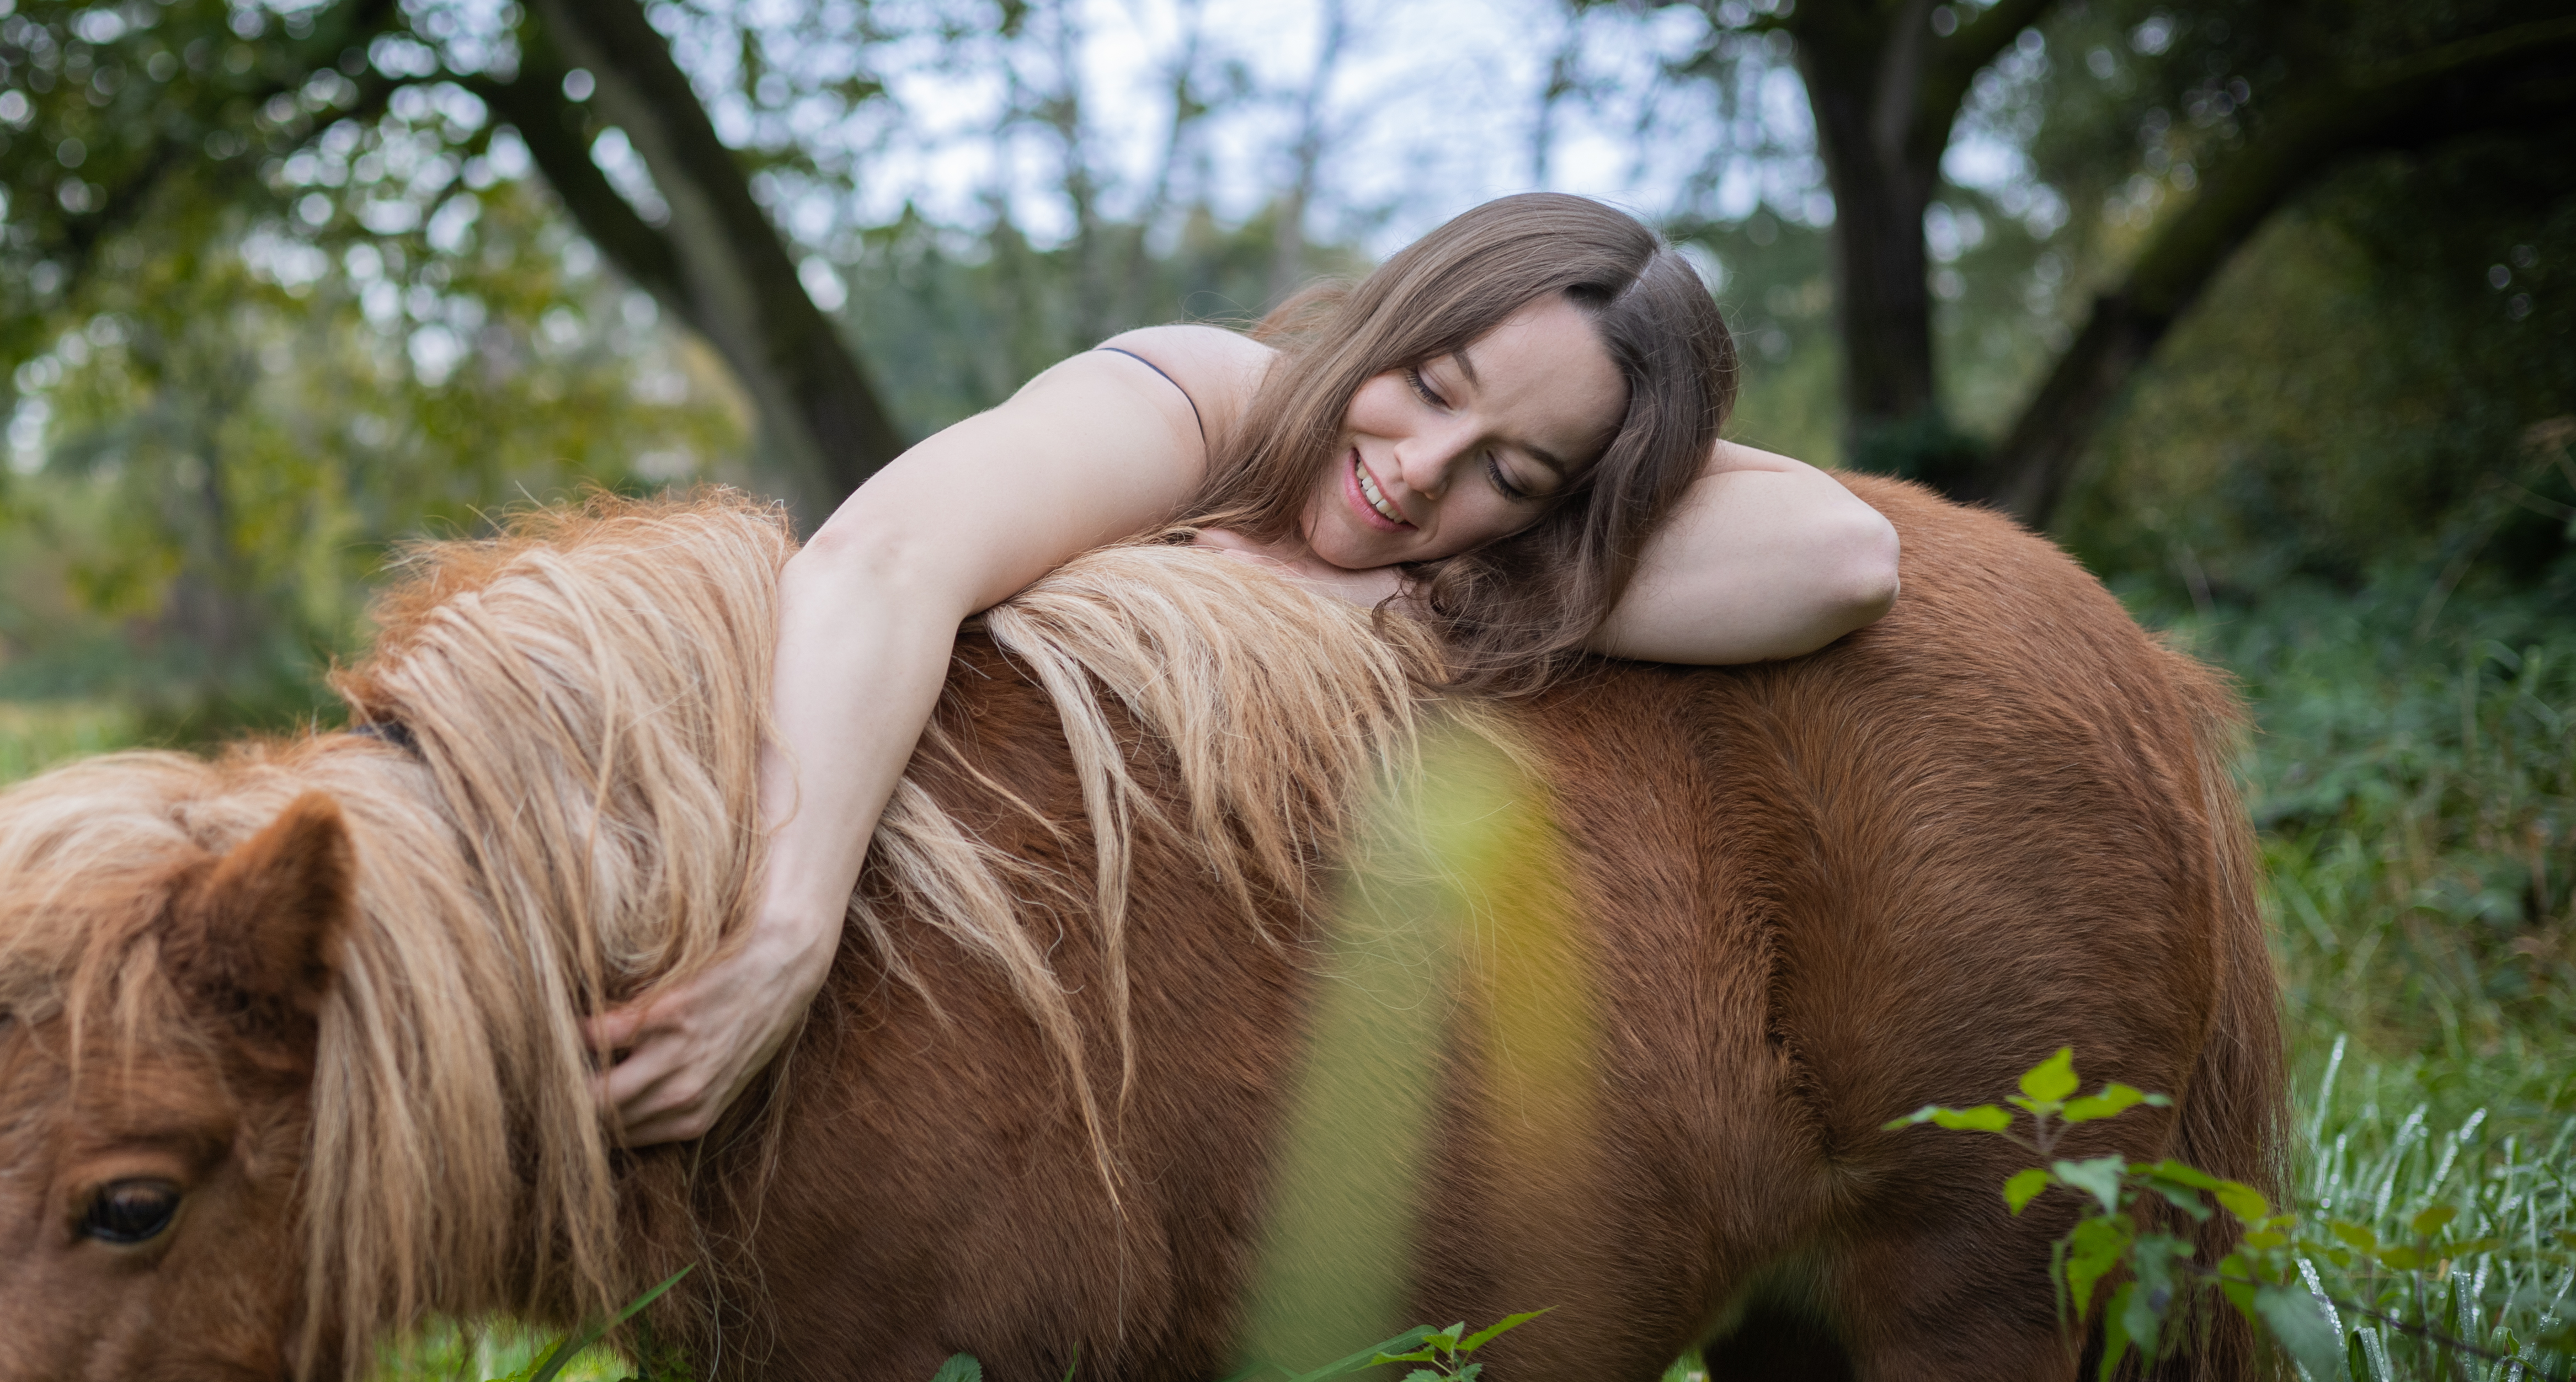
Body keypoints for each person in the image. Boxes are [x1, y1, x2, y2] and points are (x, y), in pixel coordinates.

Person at [585, 191, 1902, 1146]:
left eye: (1512, 470)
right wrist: (783, 935)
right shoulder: (1194, 401)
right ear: (1388, 317)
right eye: (1433, 385)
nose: (1420, 469)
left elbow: (1844, 560)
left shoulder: (1485, 545)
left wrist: (1428, 583)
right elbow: (877, 563)